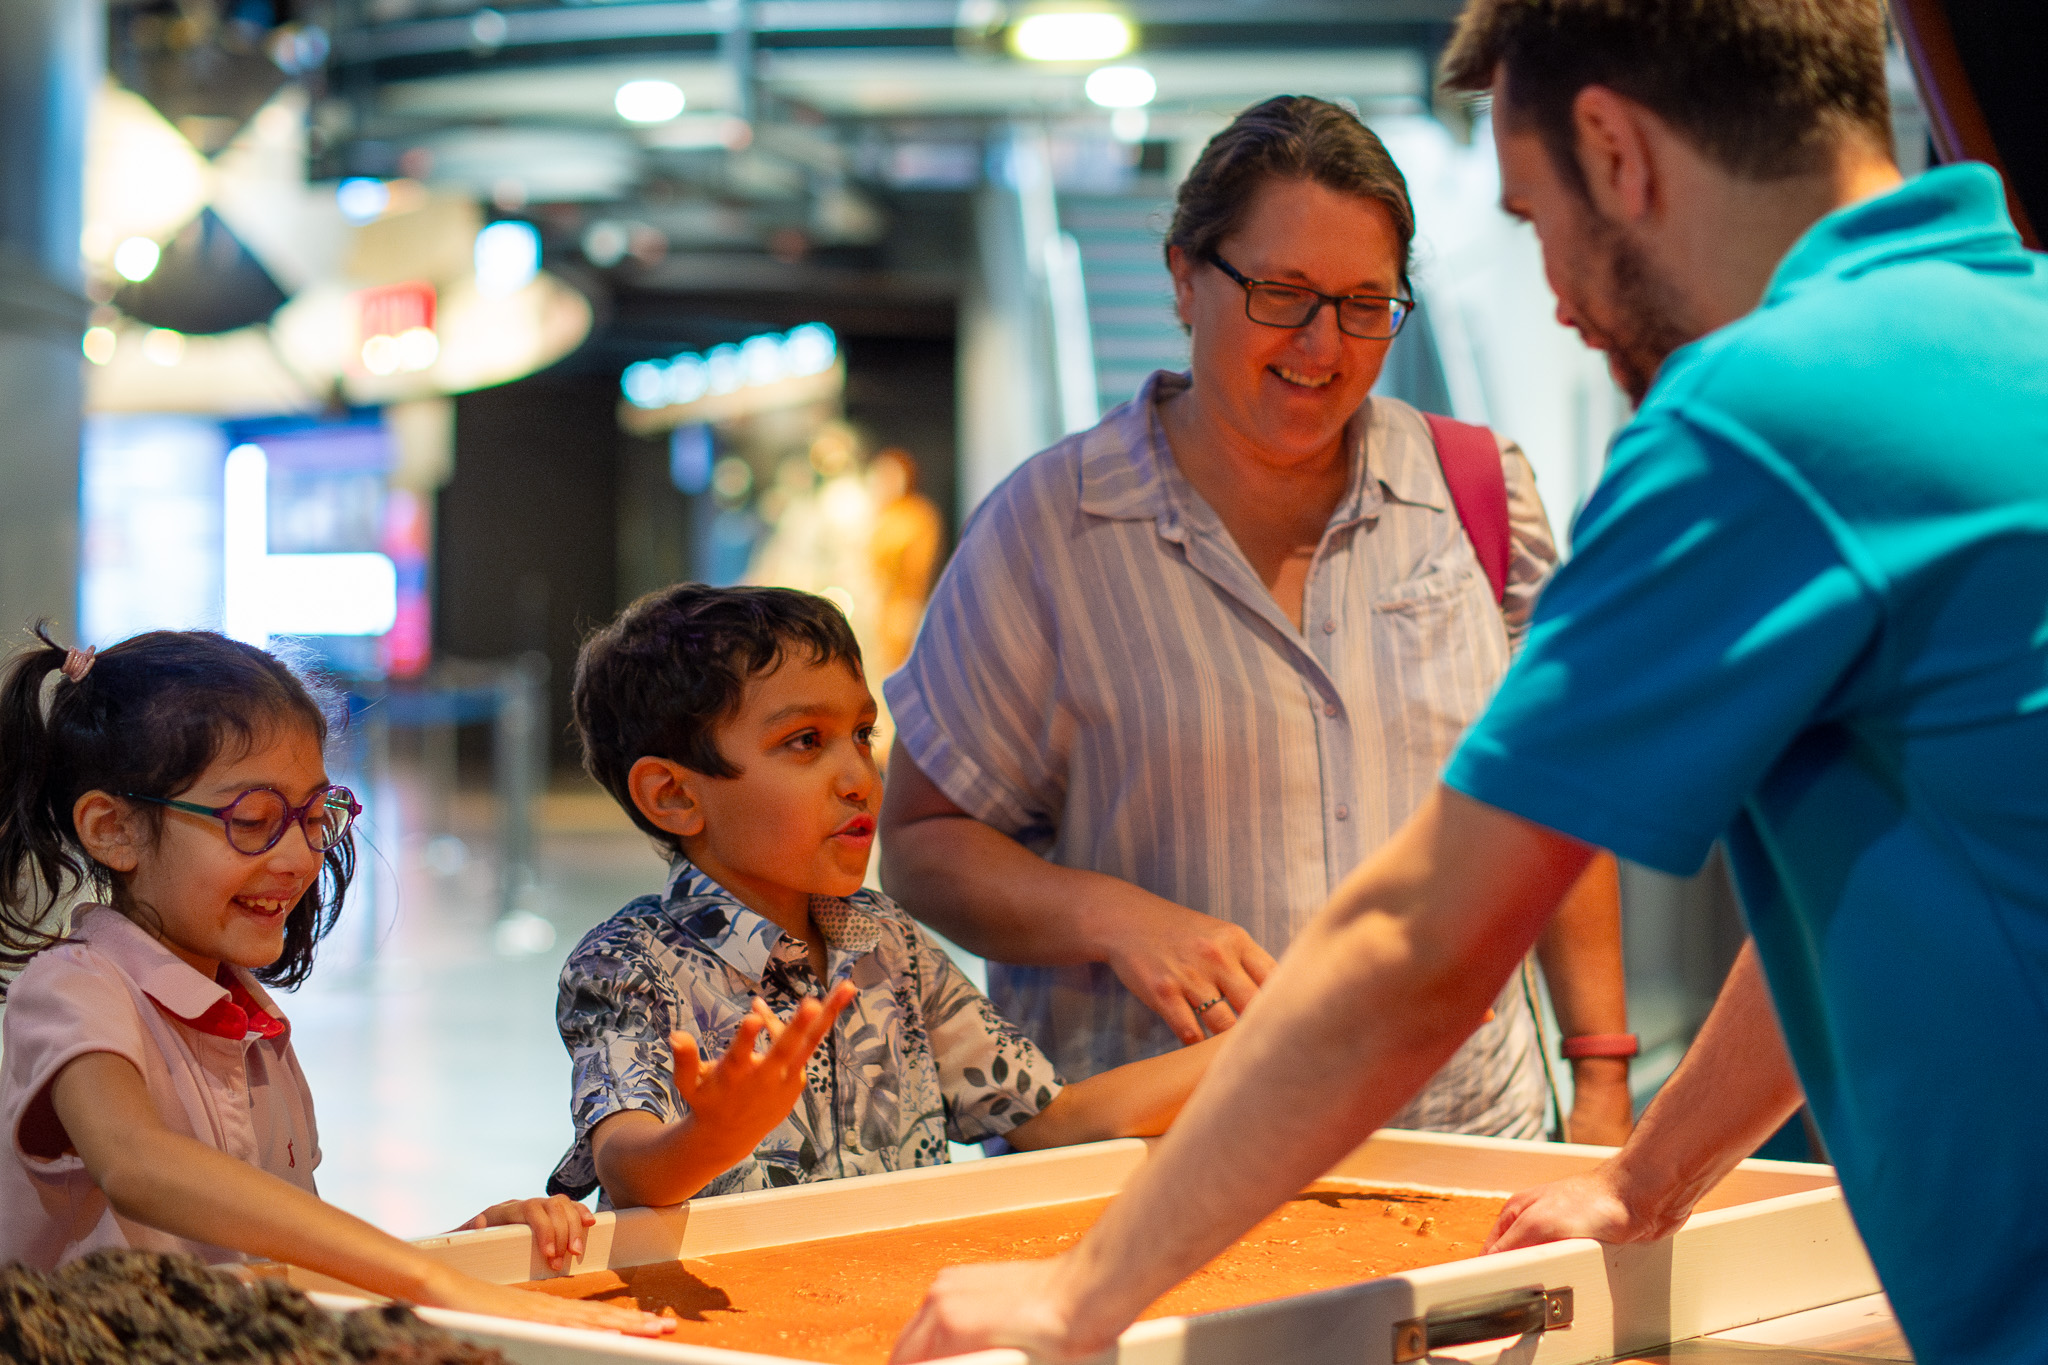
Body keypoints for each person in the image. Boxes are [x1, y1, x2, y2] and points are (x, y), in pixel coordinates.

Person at [888, 3, 2048, 1363]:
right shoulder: (2010, 322)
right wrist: (1642, 1178)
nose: (1556, 291)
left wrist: (1078, 1294)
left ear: (1615, 150)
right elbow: (1867, 880)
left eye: (1535, 214)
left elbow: (1420, 945)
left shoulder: (1766, 417)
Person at [880, 94, 1632, 1146]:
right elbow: (918, 842)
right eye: (1282, 294)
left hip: (1460, 1143)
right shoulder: (1051, 529)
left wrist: (1598, 1071)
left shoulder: (1474, 495)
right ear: (1187, 277)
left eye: (1364, 304)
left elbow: (1558, 787)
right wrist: (1112, 915)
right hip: (1158, 1162)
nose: (1321, 345)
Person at [0, 628, 668, 1337]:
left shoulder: (251, 1022)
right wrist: (428, 1279)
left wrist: (467, 1250)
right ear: (113, 829)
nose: (297, 856)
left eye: (315, 818)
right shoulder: (74, 987)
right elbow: (137, 1162)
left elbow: (270, 1267)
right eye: (252, 820)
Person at [545, 584, 1221, 1209]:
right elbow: (628, 1168)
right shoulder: (626, 965)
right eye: (805, 740)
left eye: (861, 734)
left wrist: (1286, 1032)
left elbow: (1055, 1116)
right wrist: (712, 1134)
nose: (860, 777)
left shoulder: (887, 941)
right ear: (675, 794)